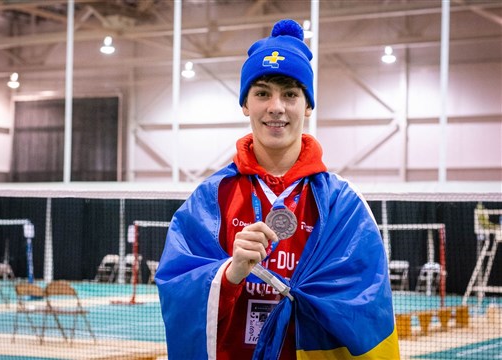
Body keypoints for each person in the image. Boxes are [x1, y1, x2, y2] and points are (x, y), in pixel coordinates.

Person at [156, 19, 400, 359]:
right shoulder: (211, 200)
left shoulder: (342, 205)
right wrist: (229, 274)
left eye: (290, 94)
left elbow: (368, 304)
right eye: (262, 93)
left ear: (308, 105)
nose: (276, 107)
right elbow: (176, 289)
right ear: (245, 104)